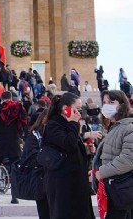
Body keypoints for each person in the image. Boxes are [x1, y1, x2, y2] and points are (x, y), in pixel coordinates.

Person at [42, 92, 95, 219]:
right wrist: (73, 123)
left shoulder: (67, 124)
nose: (79, 113)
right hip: (62, 183)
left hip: (75, 180)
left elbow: (72, 149)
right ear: (65, 109)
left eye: (80, 109)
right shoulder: (54, 125)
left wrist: (87, 151)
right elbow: (68, 144)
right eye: (76, 109)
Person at [94, 90, 133, 219]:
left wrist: (102, 172)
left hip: (121, 189)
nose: (107, 105)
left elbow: (128, 159)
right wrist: (95, 171)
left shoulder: (128, 127)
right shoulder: (114, 127)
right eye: (105, 102)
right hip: (111, 188)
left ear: (122, 105)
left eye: (111, 102)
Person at [0, 91, 26, 203]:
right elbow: (22, 125)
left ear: (1, 98)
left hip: (1, 142)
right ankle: (14, 196)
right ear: (10, 98)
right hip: (14, 141)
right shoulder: (17, 108)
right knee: (15, 168)